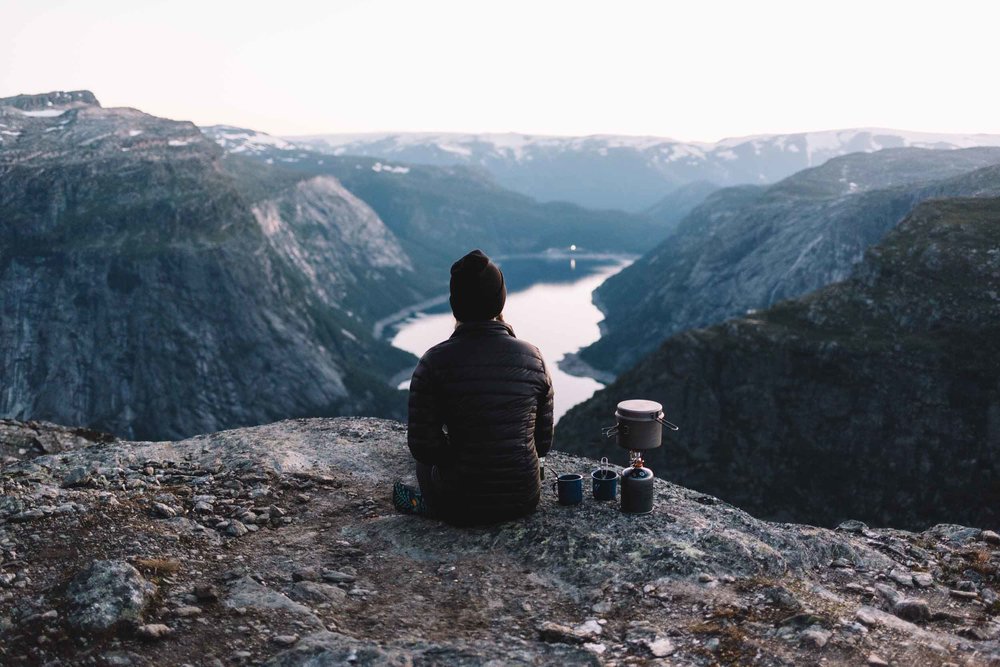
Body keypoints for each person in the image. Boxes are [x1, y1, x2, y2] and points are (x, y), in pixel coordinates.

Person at [394, 249, 554, 525]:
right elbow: (542, 444)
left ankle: (429, 505)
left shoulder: (433, 362)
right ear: (499, 300)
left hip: (460, 503)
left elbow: (424, 448)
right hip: (524, 499)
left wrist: (459, 454)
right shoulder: (534, 357)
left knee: (421, 465)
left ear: (456, 305)